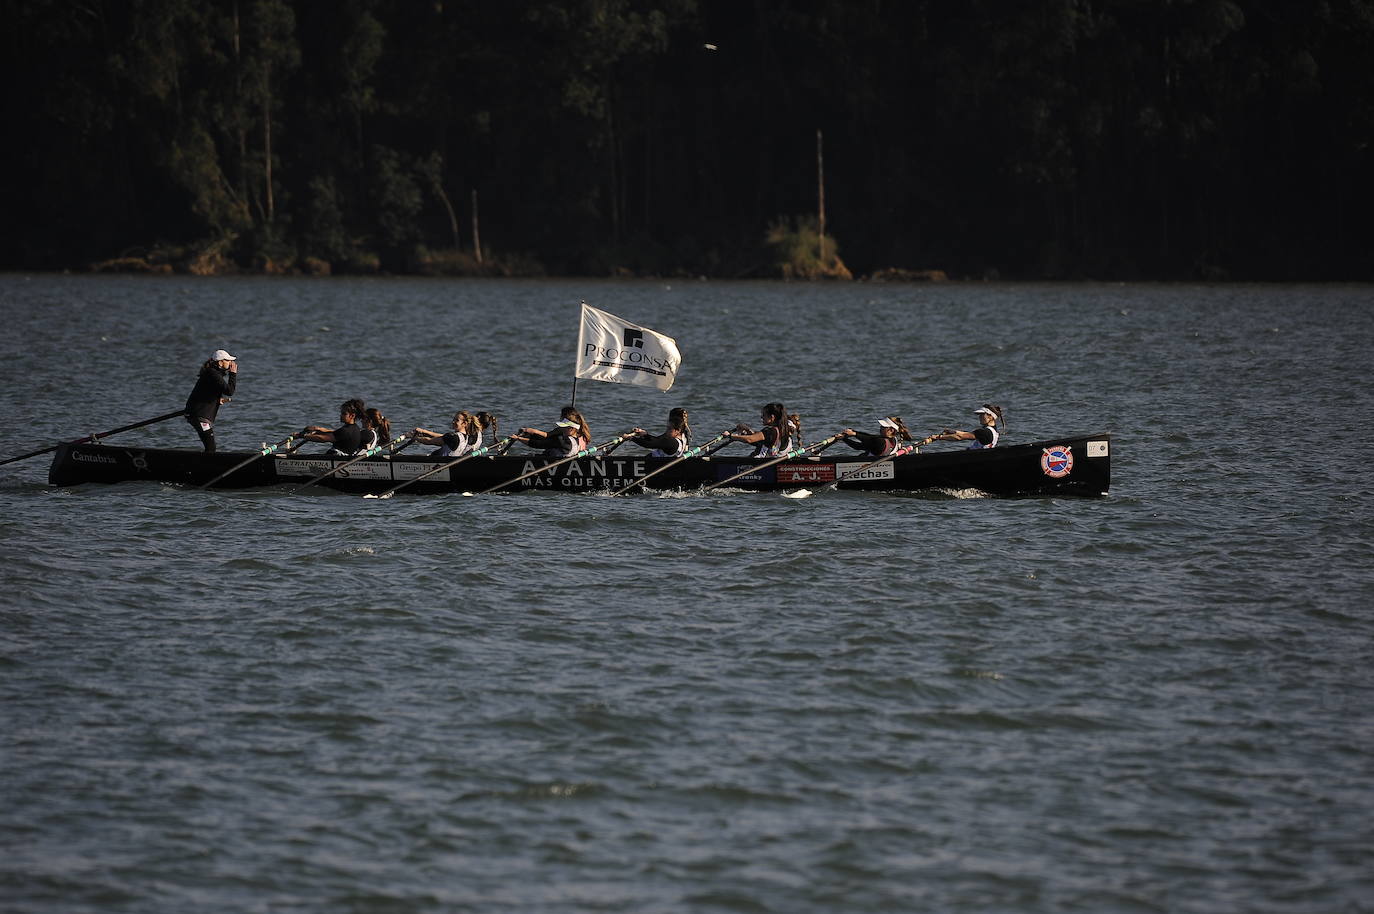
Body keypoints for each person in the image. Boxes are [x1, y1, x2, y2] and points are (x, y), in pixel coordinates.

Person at [184, 348, 238, 452]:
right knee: (211, 447)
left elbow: (205, 392)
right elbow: (229, 391)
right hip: (198, 415)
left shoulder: (212, 373)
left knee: (210, 447)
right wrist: (233, 374)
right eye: (228, 360)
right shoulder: (213, 374)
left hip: (198, 413)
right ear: (220, 362)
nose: (231, 363)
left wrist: (217, 400)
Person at [516, 406, 591, 457]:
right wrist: (530, 434)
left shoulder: (563, 440)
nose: (561, 428)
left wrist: (518, 439)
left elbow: (539, 444)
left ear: (571, 428)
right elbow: (547, 439)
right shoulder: (578, 437)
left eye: (563, 426)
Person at [725, 402, 793, 457]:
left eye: (764, 415)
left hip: (761, 464)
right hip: (776, 462)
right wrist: (746, 431)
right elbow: (759, 439)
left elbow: (750, 439)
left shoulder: (770, 431)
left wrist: (730, 436)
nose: (761, 417)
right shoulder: (784, 429)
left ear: (772, 417)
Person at [922, 404, 1005, 449]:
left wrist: (938, 437)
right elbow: (965, 434)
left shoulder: (985, 432)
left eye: (982, 415)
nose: (979, 417)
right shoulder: (994, 431)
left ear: (991, 417)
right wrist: (953, 431)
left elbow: (960, 437)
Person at [413, 411, 480, 457]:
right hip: (450, 462)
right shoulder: (466, 437)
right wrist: (424, 431)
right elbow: (442, 437)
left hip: (438, 463)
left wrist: (414, 437)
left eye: (457, 420)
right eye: (453, 419)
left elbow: (429, 441)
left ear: (464, 424)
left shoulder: (453, 437)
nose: (453, 422)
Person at [839, 416, 914, 457]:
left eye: (883, 427)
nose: (880, 428)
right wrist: (854, 432)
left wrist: (844, 439)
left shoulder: (880, 442)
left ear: (891, 430)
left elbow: (858, 446)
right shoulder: (894, 439)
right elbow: (870, 436)